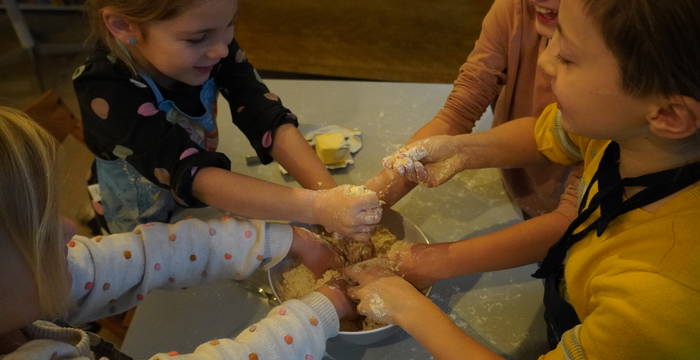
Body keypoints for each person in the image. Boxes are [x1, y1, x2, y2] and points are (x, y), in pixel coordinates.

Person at [353, 0, 700, 358]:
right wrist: (463, 150)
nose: (545, 61)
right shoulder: (625, 134)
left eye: (566, 57)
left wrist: (410, 310)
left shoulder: (659, 296)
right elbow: (543, 134)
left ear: (670, 114)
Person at [0, 106, 355, 359]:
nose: (69, 227)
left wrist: (286, 240)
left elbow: (152, 255)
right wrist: (323, 309)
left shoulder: (31, 287)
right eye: (39, 231)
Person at [73, 0, 380, 240]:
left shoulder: (213, 42)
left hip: (196, 185)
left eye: (230, 24)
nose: (222, 49)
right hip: (142, 213)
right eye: (197, 38)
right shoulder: (104, 89)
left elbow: (263, 113)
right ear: (123, 25)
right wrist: (316, 208)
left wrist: (330, 197)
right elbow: (194, 174)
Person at [366, 0, 570, 218]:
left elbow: (568, 215)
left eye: (567, 60)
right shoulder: (515, 8)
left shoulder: (605, 55)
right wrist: (368, 201)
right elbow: (460, 112)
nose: (545, 62)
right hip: (519, 187)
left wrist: (411, 254)